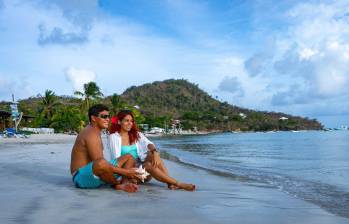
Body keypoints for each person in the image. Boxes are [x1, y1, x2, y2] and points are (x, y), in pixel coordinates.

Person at [108, 110, 196, 191]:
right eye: (126, 121)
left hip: (143, 174)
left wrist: (155, 152)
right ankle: (177, 183)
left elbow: (148, 143)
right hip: (128, 175)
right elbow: (116, 160)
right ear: (119, 122)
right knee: (147, 165)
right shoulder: (113, 137)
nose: (130, 123)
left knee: (151, 154)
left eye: (131, 121)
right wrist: (126, 174)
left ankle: (170, 182)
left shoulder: (136, 134)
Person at [70, 104, 141, 193]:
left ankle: (125, 182)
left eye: (108, 116)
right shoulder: (90, 133)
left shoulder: (95, 131)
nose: (108, 119)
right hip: (80, 177)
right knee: (101, 162)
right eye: (104, 116)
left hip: (93, 172)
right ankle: (117, 185)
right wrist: (126, 172)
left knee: (129, 156)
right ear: (93, 118)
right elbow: (100, 163)